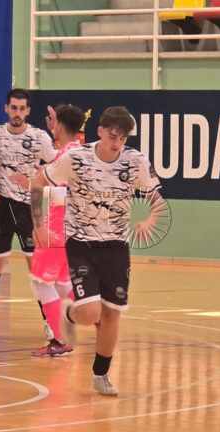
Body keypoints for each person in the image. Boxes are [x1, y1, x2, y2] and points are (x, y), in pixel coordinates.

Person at [30, 106, 163, 395]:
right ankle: (70, 314)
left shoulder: (136, 161)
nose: (117, 143)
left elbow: (156, 198)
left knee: (112, 314)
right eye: (112, 136)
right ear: (100, 131)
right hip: (82, 243)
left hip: (116, 247)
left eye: (123, 138)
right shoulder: (76, 158)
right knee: (91, 313)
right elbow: (37, 183)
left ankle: (101, 374)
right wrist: (37, 224)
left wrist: (150, 218)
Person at [0, 88, 58, 339]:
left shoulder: (39, 136)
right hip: (1, 205)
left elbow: (56, 165)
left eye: (22, 109)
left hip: (30, 206)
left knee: (37, 268)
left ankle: (50, 321)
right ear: (6, 108)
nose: (17, 113)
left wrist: (35, 179)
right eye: (13, 108)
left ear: (28, 111)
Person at [29, 105, 84, 357]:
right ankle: (72, 331)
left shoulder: (66, 156)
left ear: (59, 124)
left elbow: (63, 193)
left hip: (55, 231)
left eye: (54, 121)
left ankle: (62, 339)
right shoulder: (78, 151)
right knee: (62, 284)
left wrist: (38, 223)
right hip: (72, 232)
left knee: (41, 284)